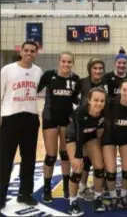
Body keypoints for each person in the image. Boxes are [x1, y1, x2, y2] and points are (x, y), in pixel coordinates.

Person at [0, 41, 43, 209]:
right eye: (26, 50)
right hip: (10, 118)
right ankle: (1, 196)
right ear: (21, 51)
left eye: (32, 51)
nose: (29, 53)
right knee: (5, 160)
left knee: (29, 160)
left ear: (36, 53)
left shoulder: (38, 71)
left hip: (31, 119)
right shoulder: (7, 70)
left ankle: (25, 194)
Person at [37, 52, 80, 202]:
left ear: (72, 63)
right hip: (50, 118)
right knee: (50, 156)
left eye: (69, 62)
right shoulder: (49, 75)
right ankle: (47, 189)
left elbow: (76, 99)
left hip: (66, 119)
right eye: (64, 61)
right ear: (59, 61)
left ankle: (66, 187)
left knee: (65, 155)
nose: (66, 64)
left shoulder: (75, 79)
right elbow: (34, 89)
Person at [65, 87, 107, 215]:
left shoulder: (104, 112)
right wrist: (78, 156)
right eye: (95, 100)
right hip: (73, 137)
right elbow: (78, 135)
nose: (99, 103)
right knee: (77, 168)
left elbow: (100, 132)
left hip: (90, 137)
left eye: (102, 101)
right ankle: (73, 202)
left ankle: (98, 197)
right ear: (89, 100)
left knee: (99, 166)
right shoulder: (81, 112)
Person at [102, 79, 127, 210]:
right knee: (111, 171)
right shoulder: (110, 103)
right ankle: (113, 197)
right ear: (120, 90)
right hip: (109, 139)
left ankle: (123, 197)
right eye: (124, 90)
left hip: (126, 139)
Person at [77, 58, 108, 201]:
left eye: (100, 68)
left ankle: (101, 185)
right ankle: (82, 186)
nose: (98, 71)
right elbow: (73, 100)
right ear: (90, 69)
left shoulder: (107, 82)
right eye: (95, 68)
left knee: (99, 156)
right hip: (85, 124)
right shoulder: (82, 82)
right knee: (85, 158)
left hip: (101, 122)